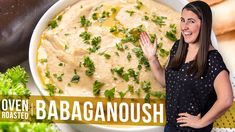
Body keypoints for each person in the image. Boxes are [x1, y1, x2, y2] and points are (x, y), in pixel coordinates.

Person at [139, 1, 233, 131]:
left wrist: (200, 122)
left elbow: (226, 99)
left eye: (191, 21)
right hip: (171, 127)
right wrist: (151, 58)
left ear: (204, 24)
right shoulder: (178, 47)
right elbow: (166, 82)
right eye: (182, 20)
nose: (184, 27)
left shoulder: (212, 59)